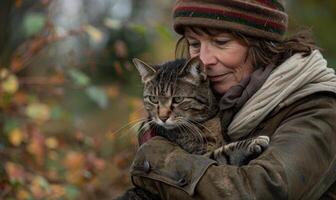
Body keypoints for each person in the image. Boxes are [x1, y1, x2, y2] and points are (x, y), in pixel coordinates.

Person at [129, 0, 336, 199]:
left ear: (260, 44)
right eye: (194, 44)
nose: (205, 59)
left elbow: (261, 192)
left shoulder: (320, 109)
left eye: (221, 42)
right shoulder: (213, 100)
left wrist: (156, 160)